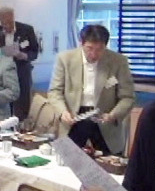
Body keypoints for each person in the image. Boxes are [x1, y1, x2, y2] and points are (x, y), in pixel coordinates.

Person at [48, 24, 135, 155]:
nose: (94, 54)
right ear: (81, 43)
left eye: (99, 49)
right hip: (73, 118)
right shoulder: (65, 59)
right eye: (89, 48)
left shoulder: (118, 61)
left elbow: (127, 97)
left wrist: (113, 115)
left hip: (104, 119)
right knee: (68, 162)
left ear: (105, 46)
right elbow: (55, 91)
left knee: (108, 163)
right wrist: (62, 112)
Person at [0, 7, 39, 120]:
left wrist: (24, 56)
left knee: (23, 104)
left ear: (13, 17)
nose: (7, 26)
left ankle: (22, 125)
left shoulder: (27, 30)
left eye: (9, 22)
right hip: (3, 73)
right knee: (6, 102)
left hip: (22, 72)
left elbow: (35, 52)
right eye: (4, 23)